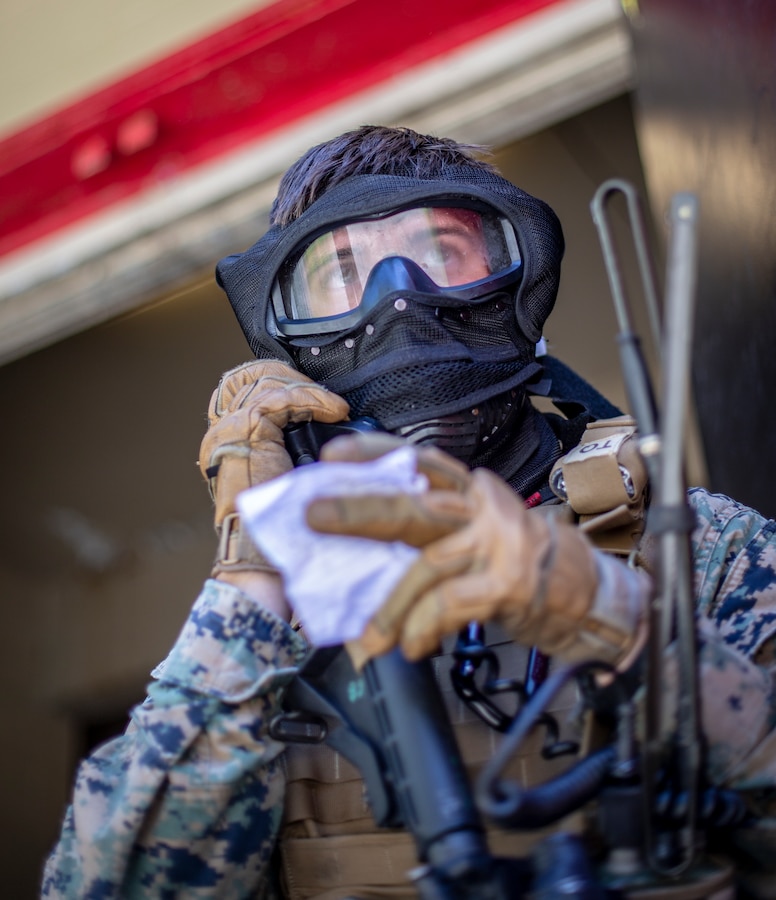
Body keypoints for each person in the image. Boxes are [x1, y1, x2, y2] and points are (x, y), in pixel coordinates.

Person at [42, 126, 776, 899]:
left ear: (512, 277)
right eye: (343, 273)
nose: (398, 297)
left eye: (442, 253)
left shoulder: (698, 549)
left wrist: (610, 615)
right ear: (292, 333)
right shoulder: (269, 632)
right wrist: (254, 563)